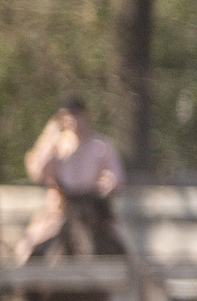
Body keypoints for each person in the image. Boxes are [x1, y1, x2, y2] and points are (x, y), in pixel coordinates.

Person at [11, 95, 127, 263]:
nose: (72, 120)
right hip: (61, 206)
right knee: (28, 248)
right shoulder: (58, 145)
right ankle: (25, 282)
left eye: (75, 115)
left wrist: (106, 185)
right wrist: (51, 134)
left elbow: (116, 176)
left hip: (91, 205)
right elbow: (37, 172)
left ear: (85, 115)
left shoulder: (100, 146)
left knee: (118, 245)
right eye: (67, 116)